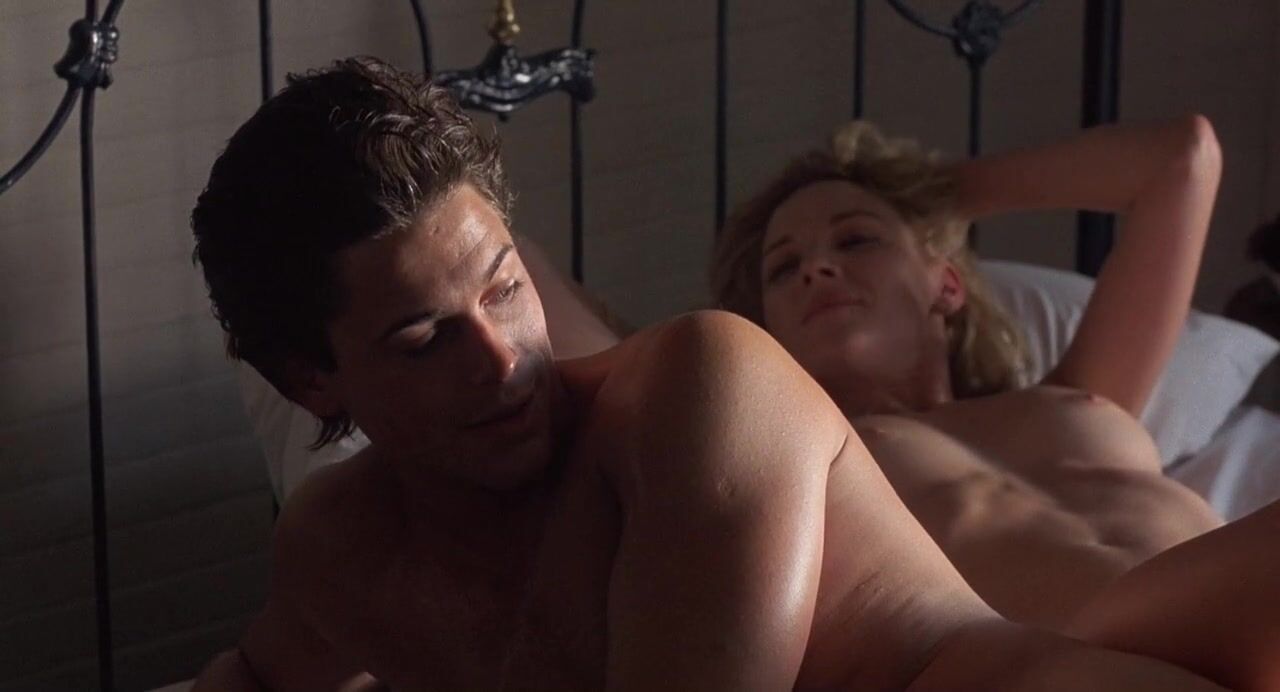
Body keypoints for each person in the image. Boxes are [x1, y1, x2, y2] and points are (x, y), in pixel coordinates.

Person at [189, 57, 1267, 690]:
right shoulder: (342, 547)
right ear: (310, 379)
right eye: (425, 340)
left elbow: (1183, 158)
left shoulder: (700, 386)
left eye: (507, 287)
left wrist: (911, 187)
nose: (502, 360)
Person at [711, 116, 1280, 662]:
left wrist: (922, 195)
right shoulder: (809, 462)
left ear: (947, 284)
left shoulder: (1073, 393)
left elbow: (1183, 159)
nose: (816, 268)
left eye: (856, 239)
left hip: (1244, 631)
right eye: (783, 268)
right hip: (1087, 666)